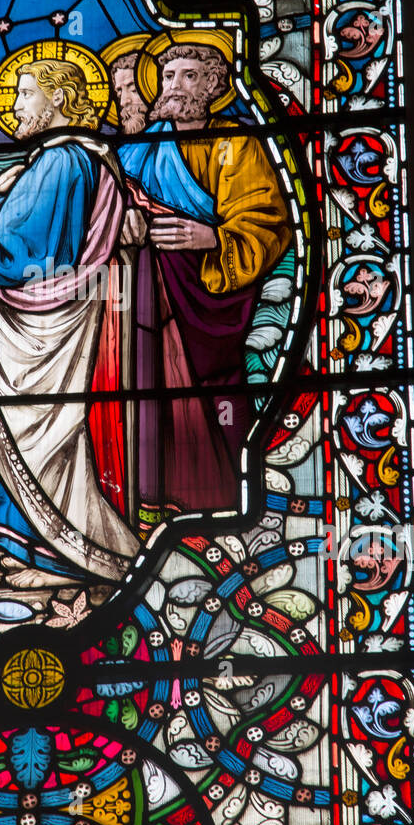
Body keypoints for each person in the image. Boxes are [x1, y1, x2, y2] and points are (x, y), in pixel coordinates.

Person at [0, 57, 140, 580]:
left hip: (46, 332)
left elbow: (13, 251)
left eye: (24, 94)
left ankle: (58, 553)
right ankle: (14, 538)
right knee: (18, 432)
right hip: (42, 324)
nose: (14, 107)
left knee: (42, 438)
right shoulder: (65, 160)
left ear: (59, 101)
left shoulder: (62, 161)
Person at [119, 36, 292, 521]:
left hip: (208, 293)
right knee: (145, 381)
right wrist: (123, 223)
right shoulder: (139, 148)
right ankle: (143, 490)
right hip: (145, 293)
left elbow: (265, 220)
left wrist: (211, 237)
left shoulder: (235, 141)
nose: (176, 86)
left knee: (210, 391)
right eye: (169, 76)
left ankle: (211, 492)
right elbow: (115, 205)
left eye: (190, 75)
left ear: (214, 85)